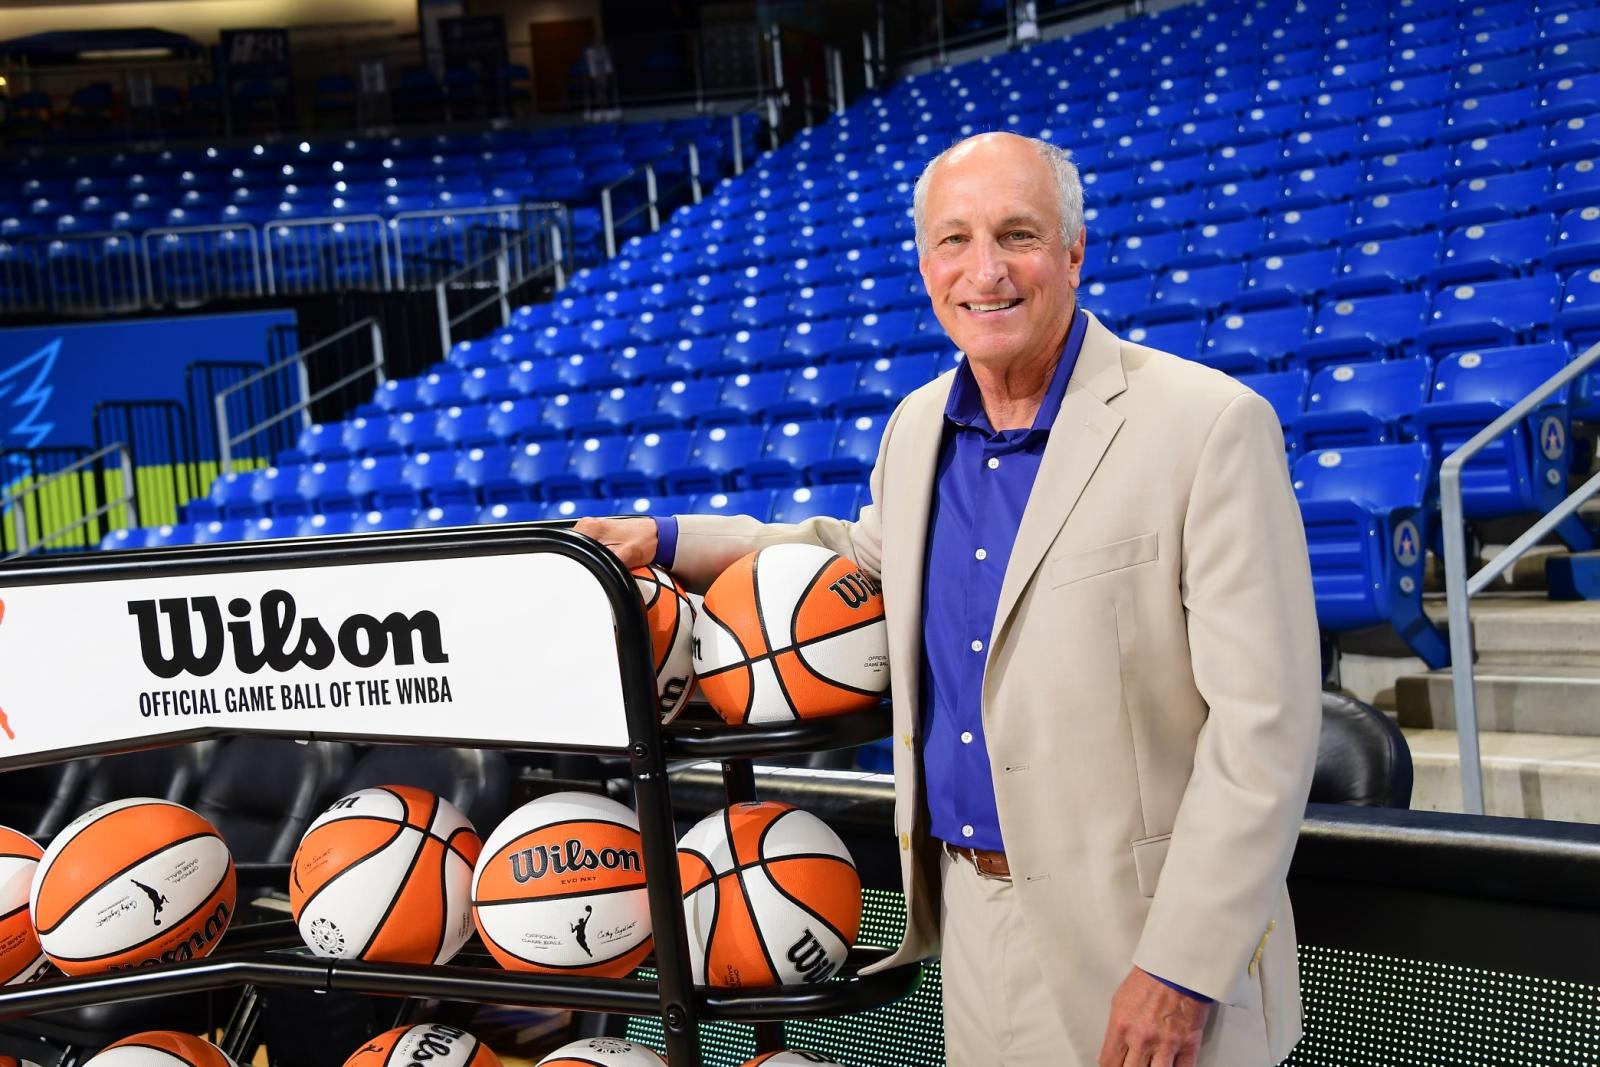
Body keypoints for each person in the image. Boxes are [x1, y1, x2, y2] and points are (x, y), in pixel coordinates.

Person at [577, 131, 1320, 1067]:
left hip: (1143, 932)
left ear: (1073, 252)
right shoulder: (919, 421)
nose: (986, 271)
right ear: (926, 264)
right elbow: (863, 558)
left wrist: (1182, 968)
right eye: (954, 240)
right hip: (972, 919)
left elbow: (1266, 731)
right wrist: (674, 540)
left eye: (1018, 234)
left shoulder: (1208, 425)